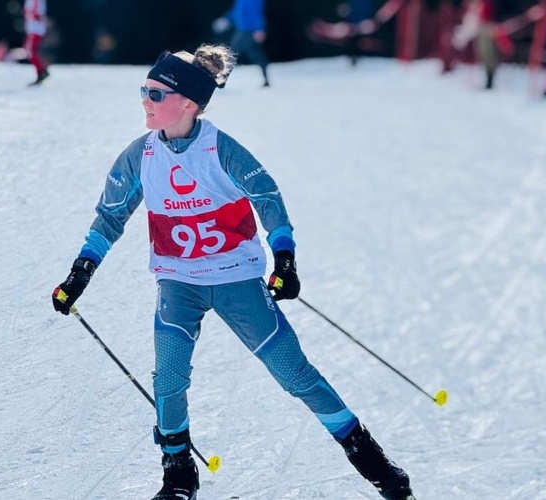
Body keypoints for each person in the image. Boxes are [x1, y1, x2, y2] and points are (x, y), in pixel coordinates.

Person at [51, 44, 416, 500]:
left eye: (155, 93)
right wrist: (80, 272)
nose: (144, 99)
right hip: (178, 282)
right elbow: (109, 217)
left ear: (188, 103)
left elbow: (268, 197)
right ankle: (178, 474)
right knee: (168, 379)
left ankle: (378, 467)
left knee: (295, 375)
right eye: (143, 89)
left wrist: (285, 257)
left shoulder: (219, 149)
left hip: (235, 280)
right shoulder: (140, 155)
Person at [223, 0, 270, 86]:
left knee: (232, 53)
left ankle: (221, 80)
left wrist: (259, 28)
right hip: (242, 29)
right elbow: (237, 10)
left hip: (248, 31)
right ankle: (266, 80)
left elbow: (257, 11)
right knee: (255, 54)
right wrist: (226, 19)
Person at [23, 0, 48, 85]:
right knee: (31, 50)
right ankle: (41, 70)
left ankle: (41, 71)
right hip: (33, 27)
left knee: (30, 50)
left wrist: (30, 14)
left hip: (35, 27)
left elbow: (36, 12)